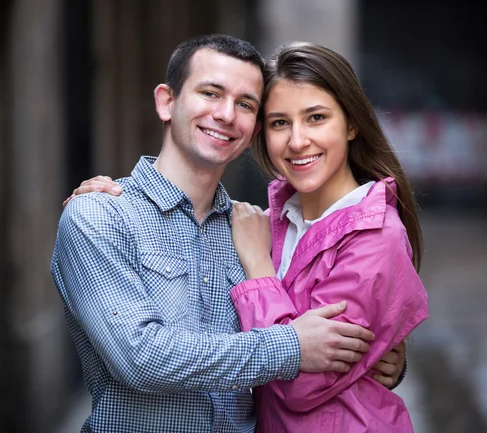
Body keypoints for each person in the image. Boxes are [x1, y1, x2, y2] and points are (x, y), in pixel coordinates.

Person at [52, 35, 402, 433]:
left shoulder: (258, 230)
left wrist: (381, 354)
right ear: (167, 101)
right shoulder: (101, 215)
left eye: (246, 105)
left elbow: (325, 330)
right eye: (210, 93)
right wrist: (291, 347)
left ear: (253, 128)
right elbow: (140, 357)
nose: (225, 114)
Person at [226, 42, 429, 432]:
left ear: (351, 124)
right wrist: (113, 196)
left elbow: (301, 384)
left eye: (316, 117)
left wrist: (258, 268)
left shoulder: (375, 237)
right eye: (279, 122)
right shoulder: (272, 221)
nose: (297, 141)